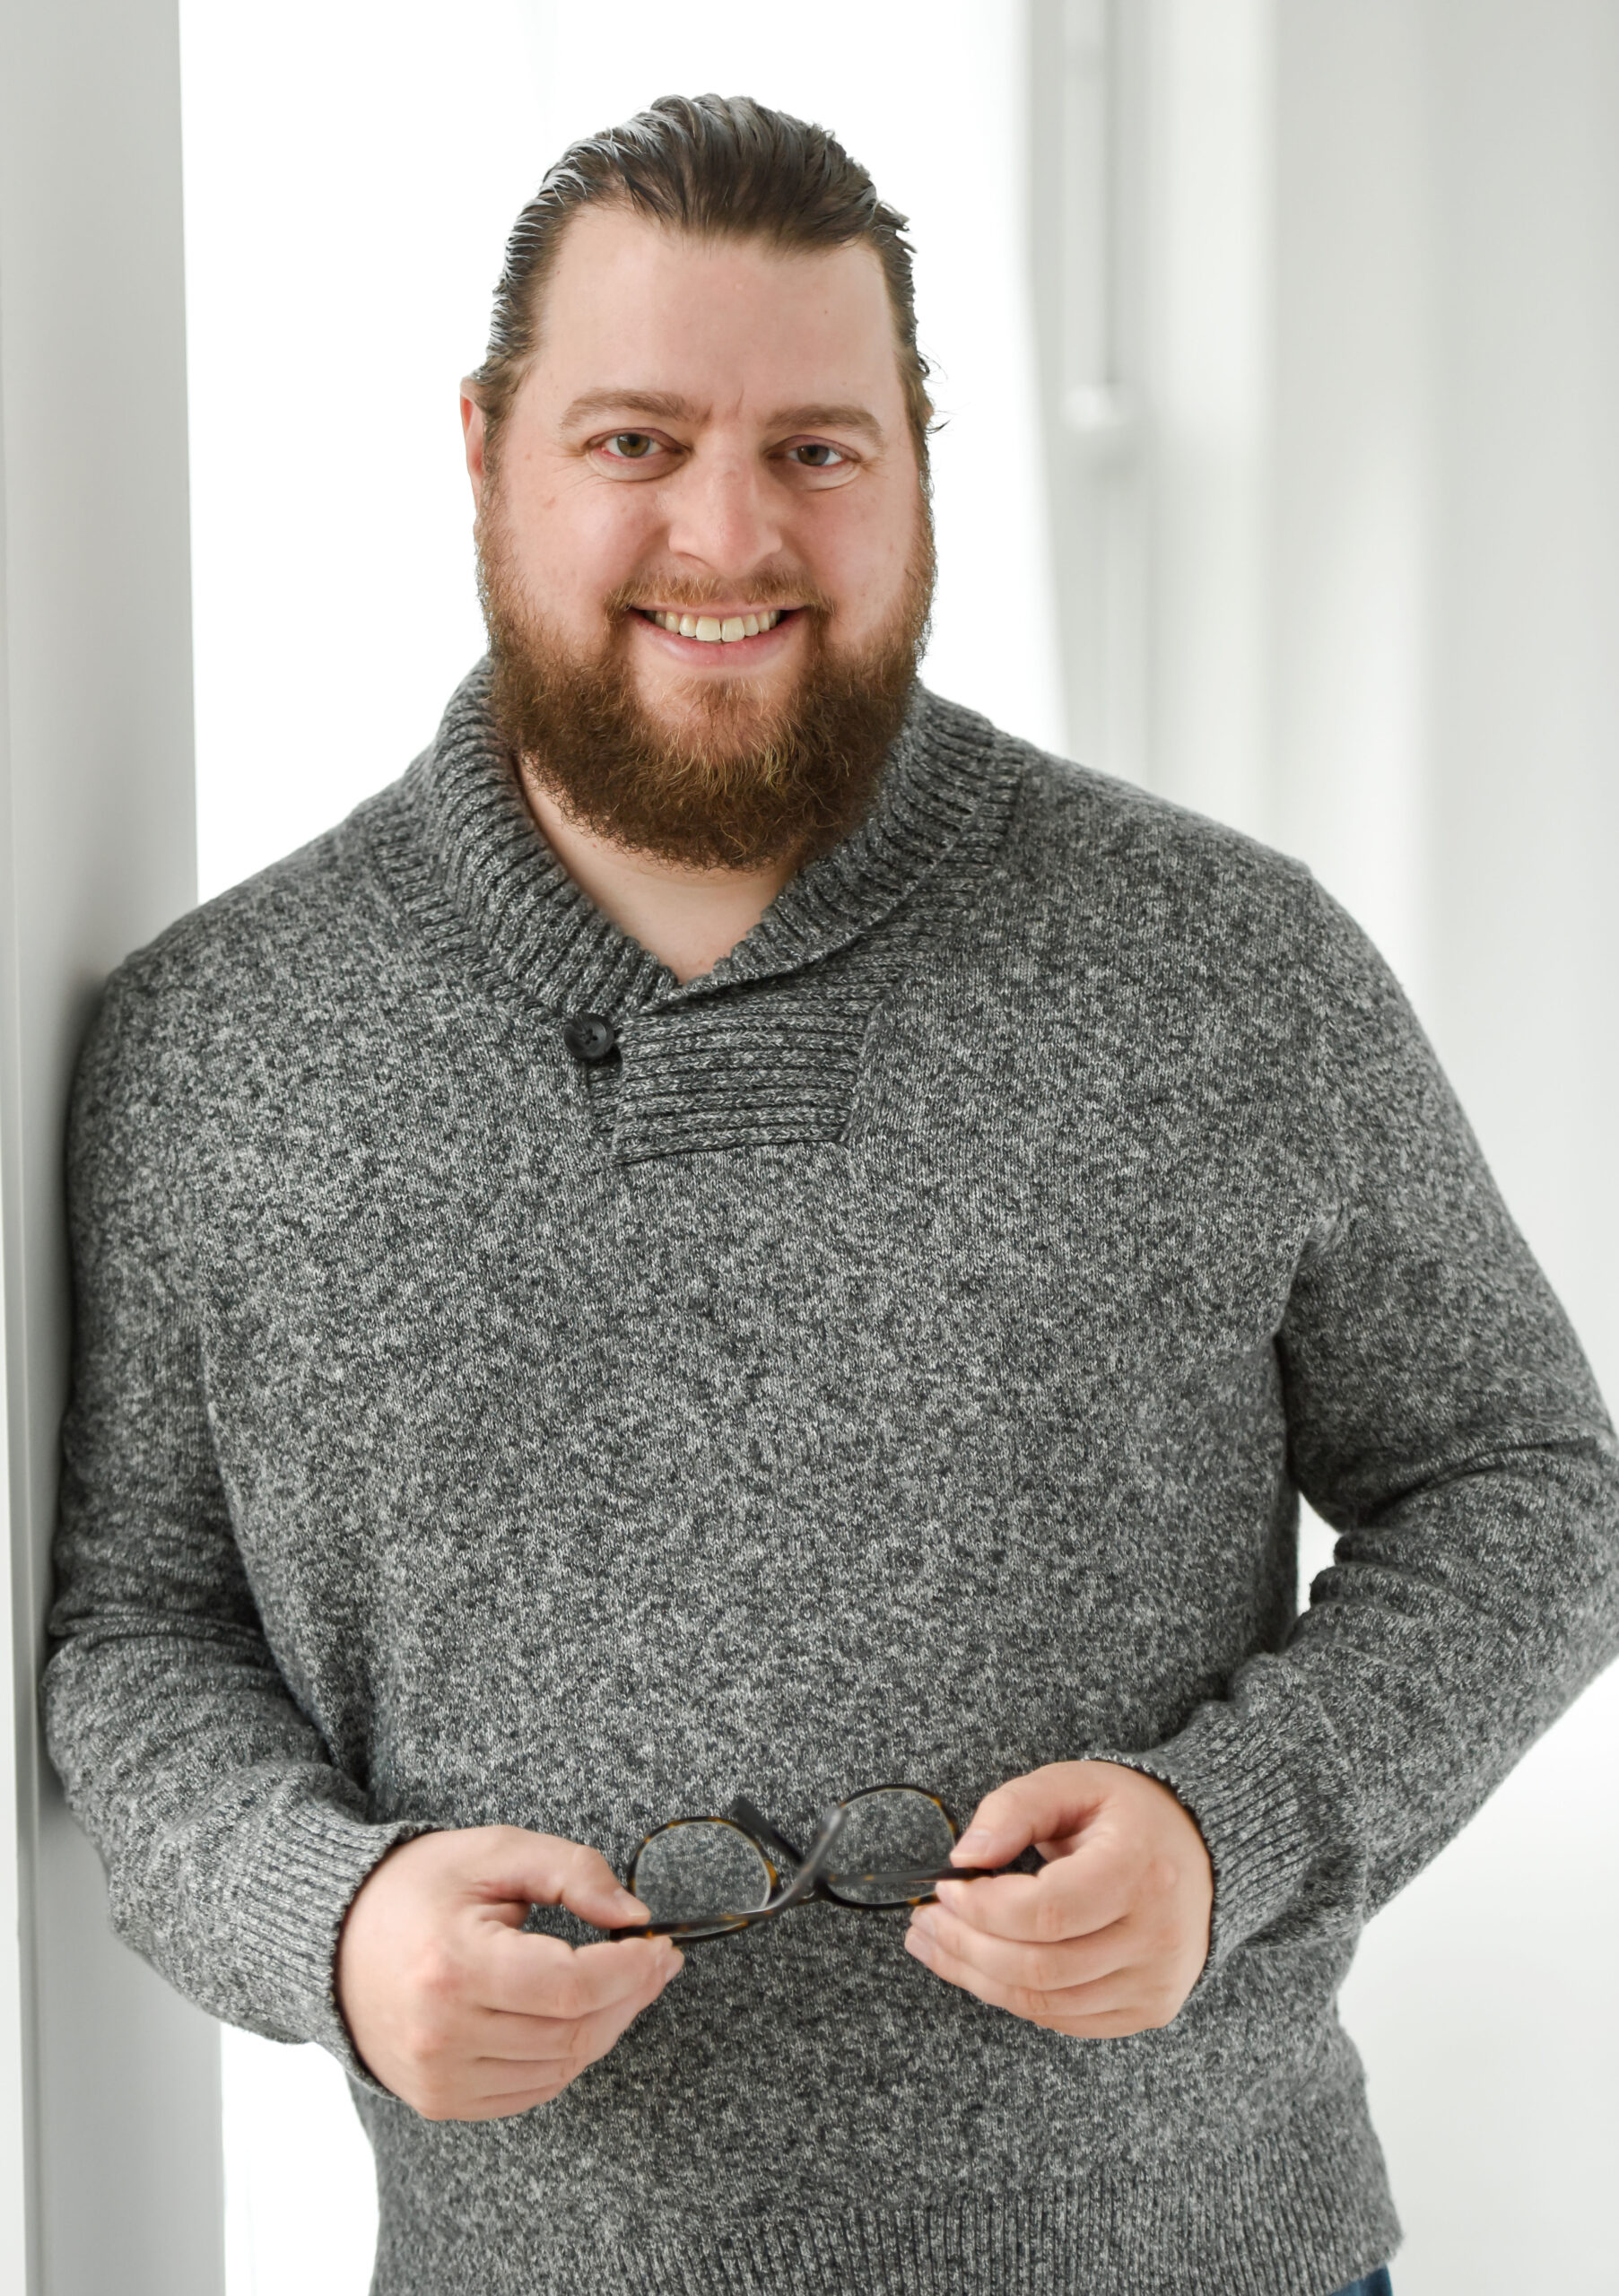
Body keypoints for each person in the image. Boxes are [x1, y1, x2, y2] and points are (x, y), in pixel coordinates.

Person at [43, 93, 1616, 2296]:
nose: (729, 530)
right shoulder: (217, 1040)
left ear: (919, 471)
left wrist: (1233, 1823)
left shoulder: (1226, 960)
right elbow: (137, 1634)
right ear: (486, 453)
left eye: (817, 447)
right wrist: (331, 1918)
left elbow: (1528, 1486)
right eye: (636, 440)